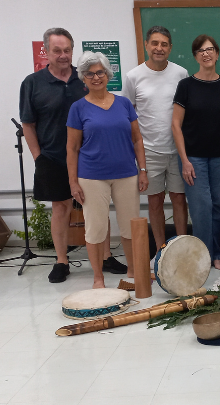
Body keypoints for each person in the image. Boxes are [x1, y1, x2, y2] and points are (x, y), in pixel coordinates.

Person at [19, 28, 125, 284]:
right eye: (57, 50)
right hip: (53, 157)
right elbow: (28, 124)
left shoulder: (85, 79)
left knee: (98, 207)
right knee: (61, 207)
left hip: (89, 157)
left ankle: (106, 256)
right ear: (47, 51)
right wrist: (38, 157)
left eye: (67, 50)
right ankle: (61, 261)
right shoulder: (32, 83)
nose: (63, 55)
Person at [66, 51, 149, 289]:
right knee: (95, 229)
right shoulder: (78, 108)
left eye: (100, 72)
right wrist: (73, 182)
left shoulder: (124, 104)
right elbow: (72, 148)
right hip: (92, 177)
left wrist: (143, 170)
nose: (96, 77)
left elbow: (137, 139)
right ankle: (98, 278)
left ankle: (133, 272)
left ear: (107, 74)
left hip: (127, 174)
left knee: (130, 226)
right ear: (83, 78)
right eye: (89, 74)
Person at [172, 34, 220, 270]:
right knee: (201, 206)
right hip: (193, 157)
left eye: (210, 49)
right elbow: (176, 124)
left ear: (217, 54)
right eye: (201, 50)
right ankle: (202, 256)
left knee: (218, 205)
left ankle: (217, 255)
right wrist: (185, 160)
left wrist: (217, 134)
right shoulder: (186, 86)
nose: (206, 53)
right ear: (195, 56)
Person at [124, 26, 188, 255]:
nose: (159, 48)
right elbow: (129, 114)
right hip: (149, 150)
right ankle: (162, 250)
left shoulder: (181, 73)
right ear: (146, 45)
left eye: (164, 44)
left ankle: (181, 247)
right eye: (155, 43)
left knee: (179, 199)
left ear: (170, 48)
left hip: (177, 149)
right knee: (155, 201)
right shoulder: (133, 76)